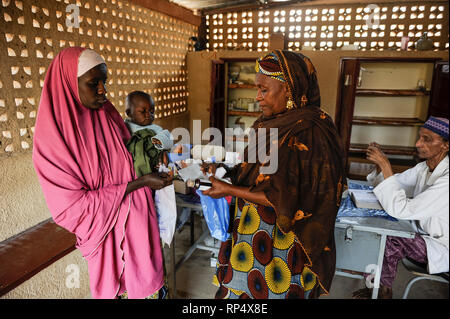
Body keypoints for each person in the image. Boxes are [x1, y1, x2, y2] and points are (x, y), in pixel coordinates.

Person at [202, 51, 346, 299]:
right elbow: (256, 172)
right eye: (257, 89)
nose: (257, 97)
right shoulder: (268, 124)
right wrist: (224, 172)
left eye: (264, 90)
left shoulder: (310, 131)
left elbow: (283, 198)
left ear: (289, 90)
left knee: (274, 289)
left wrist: (228, 190)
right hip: (251, 228)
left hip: (285, 239)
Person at [32, 47, 172, 299]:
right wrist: (138, 183)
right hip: (106, 237)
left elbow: (129, 158)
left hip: (138, 225)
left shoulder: (107, 115)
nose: (103, 91)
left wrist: (154, 159)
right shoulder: (53, 139)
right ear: (68, 83)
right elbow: (71, 208)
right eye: (93, 83)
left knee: (148, 284)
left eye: (104, 82)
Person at [353, 116, 449, 299]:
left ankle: (383, 291)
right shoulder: (423, 168)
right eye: (420, 137)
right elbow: (393, 185)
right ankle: (375, 286)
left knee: (389, 237)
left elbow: (401, 209)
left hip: (442, 245)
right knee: (377, 226)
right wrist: (381, 167)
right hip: (423, 233)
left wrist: (385, 164)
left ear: (446, 145)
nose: (418, 143)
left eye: (427, 139)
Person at [124, 91, 175, 177]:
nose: (148, 115)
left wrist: (159, 141)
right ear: (129, 113)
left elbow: (169, 138)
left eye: (152, 111)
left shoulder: (154, 128)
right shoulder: (124, 127)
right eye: (143, 112)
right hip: (133, 170)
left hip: (153, 167)